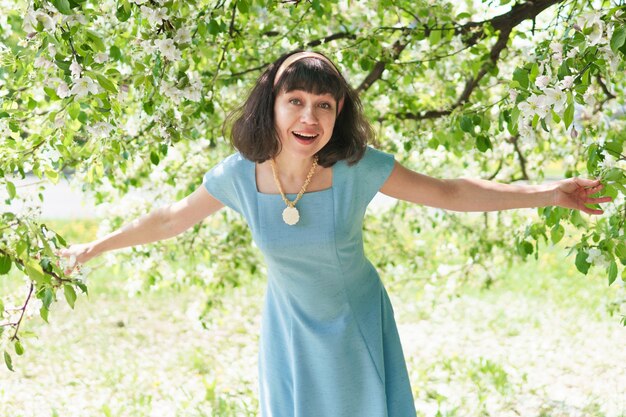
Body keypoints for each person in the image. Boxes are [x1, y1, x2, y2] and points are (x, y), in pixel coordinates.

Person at [60, 50, 611, 416]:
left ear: (338, 110)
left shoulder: (355, 166)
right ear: (272, 105)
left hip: (353, 326)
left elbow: (449, 193)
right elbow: (168, 219)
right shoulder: (239, 176)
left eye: (323, 104)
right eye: (295, 101)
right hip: (289, 332)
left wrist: (551, 190)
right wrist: (93, 247)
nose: (309, 115)